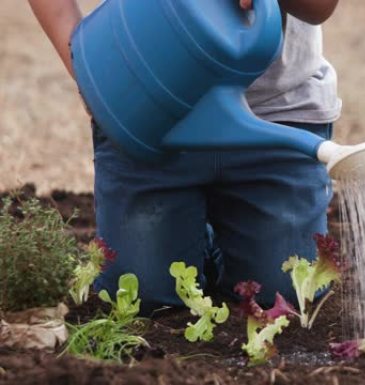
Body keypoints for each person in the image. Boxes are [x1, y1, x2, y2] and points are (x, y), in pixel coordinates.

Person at [29, 0, 341, 313]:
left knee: (289, 296)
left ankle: (213, 234)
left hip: (278, 115)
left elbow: (321, 7)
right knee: (141, 300)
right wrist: (88, 68)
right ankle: (197, 233)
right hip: (149, 109)